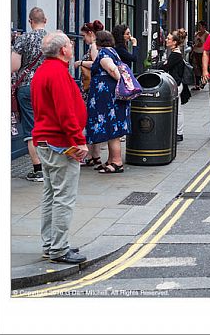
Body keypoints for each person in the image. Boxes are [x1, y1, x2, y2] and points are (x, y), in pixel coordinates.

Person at [31, 31, 88, 264]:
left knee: (50, 195)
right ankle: (59, 249)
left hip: (45, 141)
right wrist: (78, 140)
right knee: (63, 197)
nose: (72, 46)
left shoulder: (43, 71)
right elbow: (65, 112)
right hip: (60, 144)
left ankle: (50, 244)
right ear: (63, 50)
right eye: (70, 44)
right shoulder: (57, 74)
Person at [86, 30, 131, 174]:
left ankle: (117, 162)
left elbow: (113, 70)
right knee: (113, 130)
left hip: (109, 100)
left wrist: (118, 79)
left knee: (113, 132)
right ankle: (111, 160)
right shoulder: (112, 51)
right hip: (112, 99)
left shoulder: (104, 54)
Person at [11, 7, 48, 182]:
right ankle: (50, 166)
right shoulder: (52, 39)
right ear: (45, 20)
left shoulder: (23, 39)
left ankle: (38, 169)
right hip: (48, 86)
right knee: (46, 124)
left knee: (32, 128)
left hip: (27, 87)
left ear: (30, 21)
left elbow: (14, 66)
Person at [74, 20, 104, 168]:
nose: (83, 39)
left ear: (90, 34)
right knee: (92, 122)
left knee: (89, 121)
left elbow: (95, 63)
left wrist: (80, 62)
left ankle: (94, 156)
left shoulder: (93, 46)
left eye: (84, 35)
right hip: (90, 89)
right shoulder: (96, 45)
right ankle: (94, 156)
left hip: (89, 89)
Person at [161, 29, 187, 142]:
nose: (166, 40)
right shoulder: (175, 53)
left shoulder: (175, 55)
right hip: (176, 84)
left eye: (169, 38)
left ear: (175, 42)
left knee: (177, 109)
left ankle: (178, 133)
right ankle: (177, 132)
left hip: (176, 85)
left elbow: (165, 67)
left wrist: (161, 64)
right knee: (177, 108)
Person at [191, 21, 209, 90]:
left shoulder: (207, 34)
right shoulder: (197, 34)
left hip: (203, 53)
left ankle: (204, 81)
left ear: (204, 27)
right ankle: (197, 84)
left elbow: (207, 44)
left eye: (200, 26)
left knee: (203, 68)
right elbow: (195, 42)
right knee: (196, 68)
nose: (199, 27)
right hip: (196, 52)